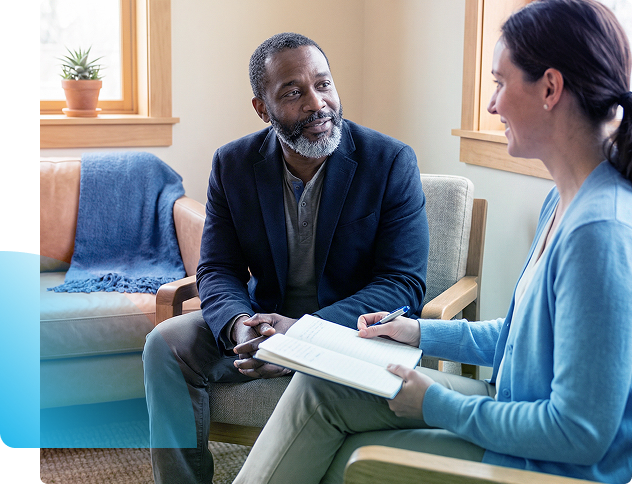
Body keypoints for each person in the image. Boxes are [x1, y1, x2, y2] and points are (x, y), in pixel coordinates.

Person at [232, 1, 632, 483]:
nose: (491, 105)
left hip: (547, 461)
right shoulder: (562, 200)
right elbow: (518, 337)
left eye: (500, 84)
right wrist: (416, 332)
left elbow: (579, 432)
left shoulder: (599, 233)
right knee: (321, 392)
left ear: (550, 88)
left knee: (345, 459)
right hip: (510, 404)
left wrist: (437, 404)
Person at [142, 33, 430, 484]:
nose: (318, 104)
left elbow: (402, 283)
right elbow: (218, 268)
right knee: (166, 343)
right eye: (294, 92)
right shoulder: (233, 164)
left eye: (324, 84)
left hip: (349, 330)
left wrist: (302, 335)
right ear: (263, 108)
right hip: (263, 319)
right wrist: (239, 323)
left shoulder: (389, 161)